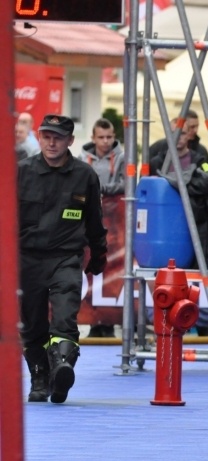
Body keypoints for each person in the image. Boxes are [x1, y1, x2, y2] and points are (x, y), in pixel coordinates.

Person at [17, 114, 108, 403]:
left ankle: (61, 371)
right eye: (46, 135)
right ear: (40, 137)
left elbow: (95, 221)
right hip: (27, 260)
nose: (51, 141)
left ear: (70, 140)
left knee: (65, 320)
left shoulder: (85, 176)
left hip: (66, 258)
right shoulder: (20, 172)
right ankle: (40, 379)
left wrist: (99, 254)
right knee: (32, 326)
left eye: (58, 137)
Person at [150, 122, 208, 336]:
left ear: (189, 135)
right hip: (165, 227)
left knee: (195, 274)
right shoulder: (156, 160)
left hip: (195, 223)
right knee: (163, 277)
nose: (178, 137)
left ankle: (199, 320)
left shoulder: (200, 158)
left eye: (182, 133)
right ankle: (163, 321)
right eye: (174, 133)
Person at [79, 118, 126, 338]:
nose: (106, 141)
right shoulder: (82, 158)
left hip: (115, 226)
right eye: (101, 137)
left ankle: (108, 322)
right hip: (88, 224)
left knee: (112, 271)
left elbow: (128, 183)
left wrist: (102, 189)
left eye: (109, 137)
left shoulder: (122, 157)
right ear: (93, 138)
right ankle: (93, 321)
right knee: (90, 270)